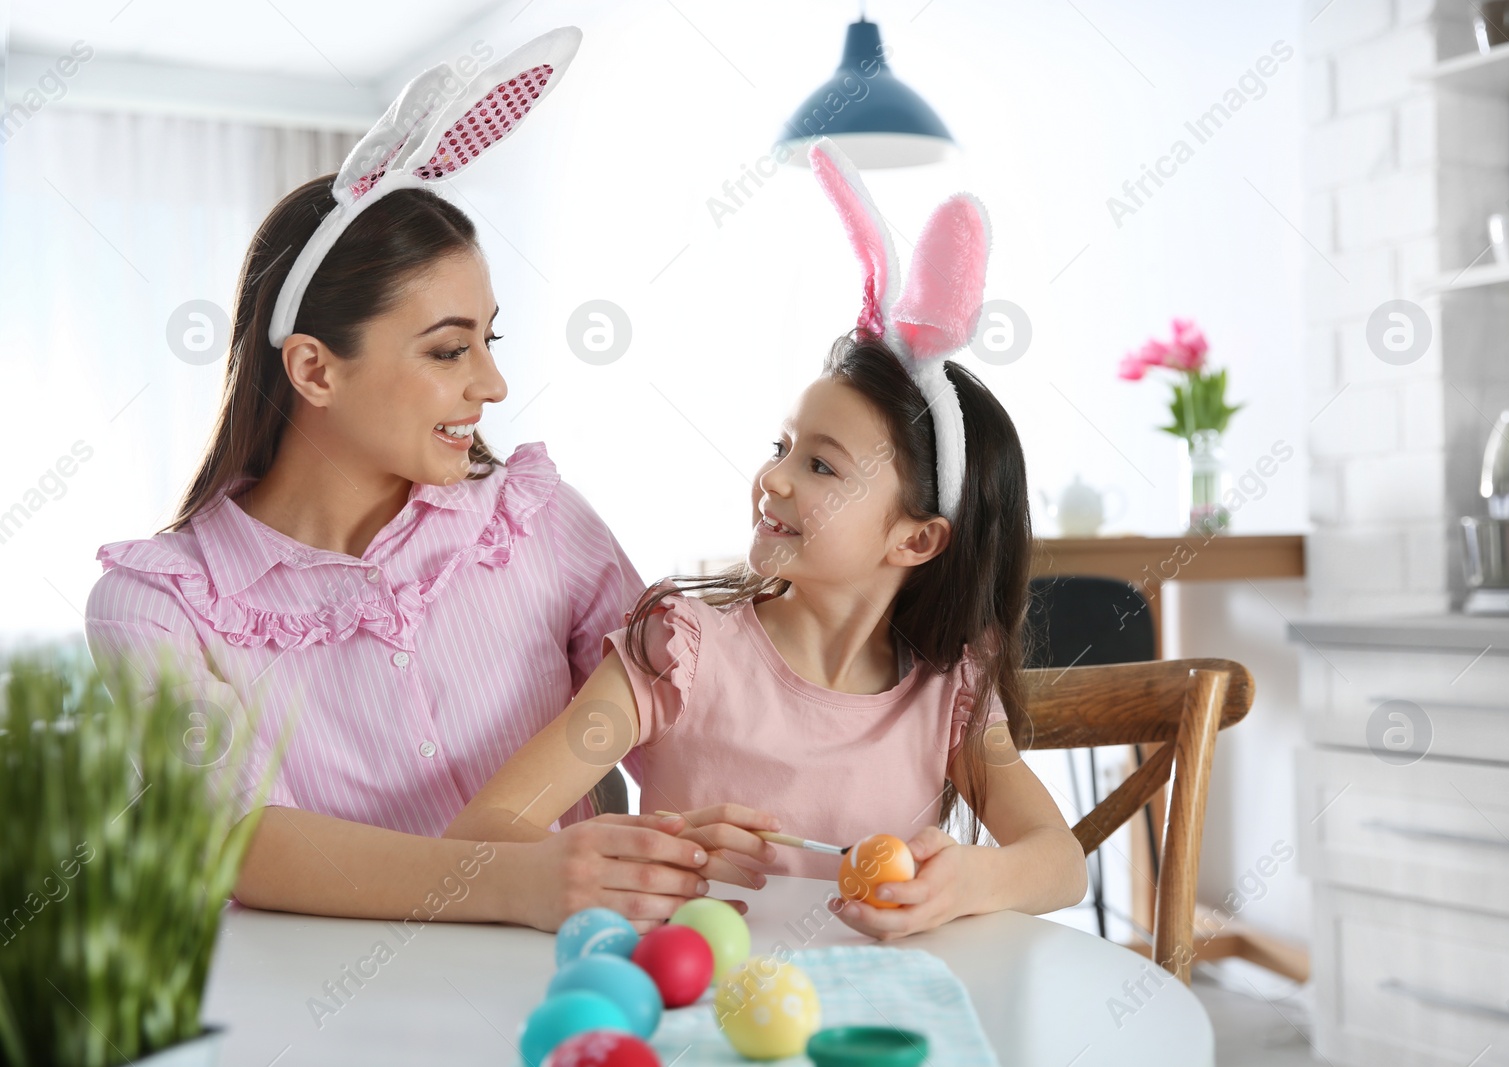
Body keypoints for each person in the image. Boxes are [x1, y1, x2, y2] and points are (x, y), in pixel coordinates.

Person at [84, 28, 768, 935]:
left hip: (575, 989)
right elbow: (235, 839)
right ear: (315, 371)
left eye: (491, 340)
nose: (491, 385)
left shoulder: (538, 523)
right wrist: (516, 882)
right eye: (449, 350)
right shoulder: (155, 607)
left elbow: (683, 718)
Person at [445, 140, 1088, 940]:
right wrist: (645, 855)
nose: (774, 479)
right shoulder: (679, 650)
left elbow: (1062, 863)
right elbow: (482, 831)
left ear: (917, 540)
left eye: (821, 465)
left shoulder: (947, 694)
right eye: (782, 446)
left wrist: (970, 877)